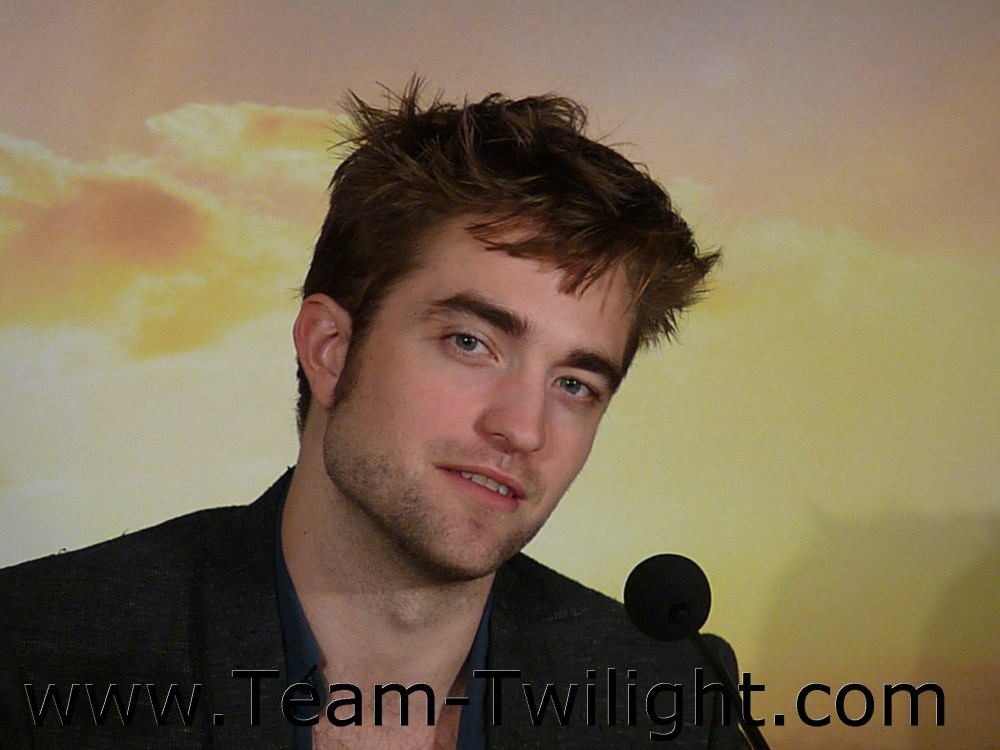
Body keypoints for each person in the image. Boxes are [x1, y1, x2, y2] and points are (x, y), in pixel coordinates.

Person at [1, 80, 745, 749]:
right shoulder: (31, 660)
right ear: (329, 349)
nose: (524, 429)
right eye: (470, 343)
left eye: (575, 384)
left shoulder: (672, 705)